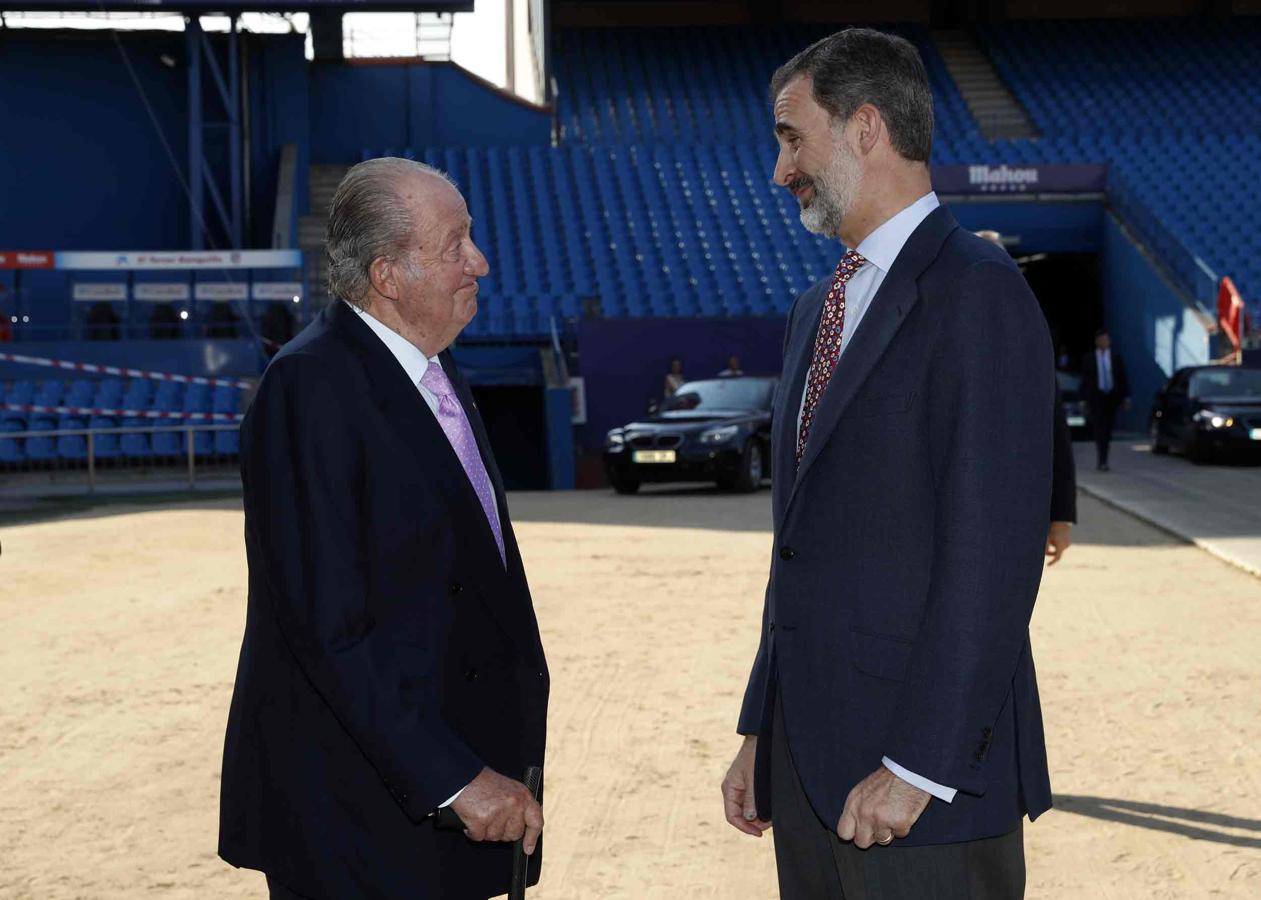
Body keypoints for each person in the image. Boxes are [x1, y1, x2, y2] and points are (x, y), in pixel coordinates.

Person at [720, 29, 1054, 899]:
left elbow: (993, 556)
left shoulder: (978, 291)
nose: (778, 170)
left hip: (917, 787)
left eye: (792, 137)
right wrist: (764, 728)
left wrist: (919, 765)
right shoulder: (813, 310)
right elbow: (796, 546)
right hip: (807, 770)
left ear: (865, 127)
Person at [219, 158, 549, 899]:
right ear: (388, 275)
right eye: (455, 242)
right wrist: (455, 778)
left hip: (427, 806)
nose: (480, 261)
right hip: (359, 820)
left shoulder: (429, 369)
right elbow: (327, 627)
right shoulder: (310, 387)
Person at [1081, 328, 1130, 471]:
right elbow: (1085, 380)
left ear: (1109, 342)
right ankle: (1102, 460)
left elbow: (1122, 378)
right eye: (1101, 340)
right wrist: (1083, 400)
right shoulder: (1089, 359)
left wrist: (1126, 397)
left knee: (1108, 430)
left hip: (1111, 398)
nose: (1104, 342)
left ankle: (1104, 456)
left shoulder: (1116, 358)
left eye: (1106, 340)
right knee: (1099, 429)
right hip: (1096, 398)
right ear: (1097, 342)